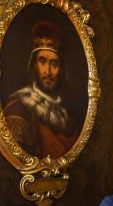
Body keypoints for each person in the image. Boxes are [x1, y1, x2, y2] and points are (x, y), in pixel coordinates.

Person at [4, 21, 77, 158]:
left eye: (54, 64)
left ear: (61, 70)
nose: (48, 71)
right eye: (42, 61)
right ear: (34, 65)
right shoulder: (18, 107)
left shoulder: (65, 115)